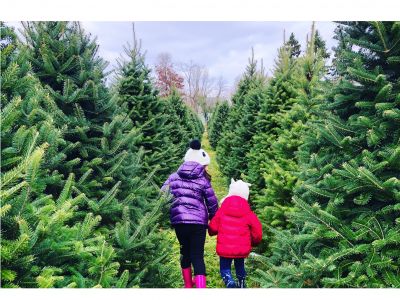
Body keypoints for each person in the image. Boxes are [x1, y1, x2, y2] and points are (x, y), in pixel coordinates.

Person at [162, 139, 218, 288]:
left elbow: (162, 195)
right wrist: (214, 218)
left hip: (179, 221)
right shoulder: (203, 180)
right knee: (197, 256)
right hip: (198, 223)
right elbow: (212, 202)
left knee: (184, 252)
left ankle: (188, 285)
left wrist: (168, 212)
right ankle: (200, 288)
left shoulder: (173, 177)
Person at [208, 178, 262, 288]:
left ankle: (229, 282)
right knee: (240, 266)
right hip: (241, 248)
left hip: (225, 248)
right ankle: (241, 284)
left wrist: (211, 231)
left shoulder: (222, 209)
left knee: (224, 268)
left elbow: (213, 226)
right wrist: (254, 242)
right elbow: (257, 231)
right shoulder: (248, 212)